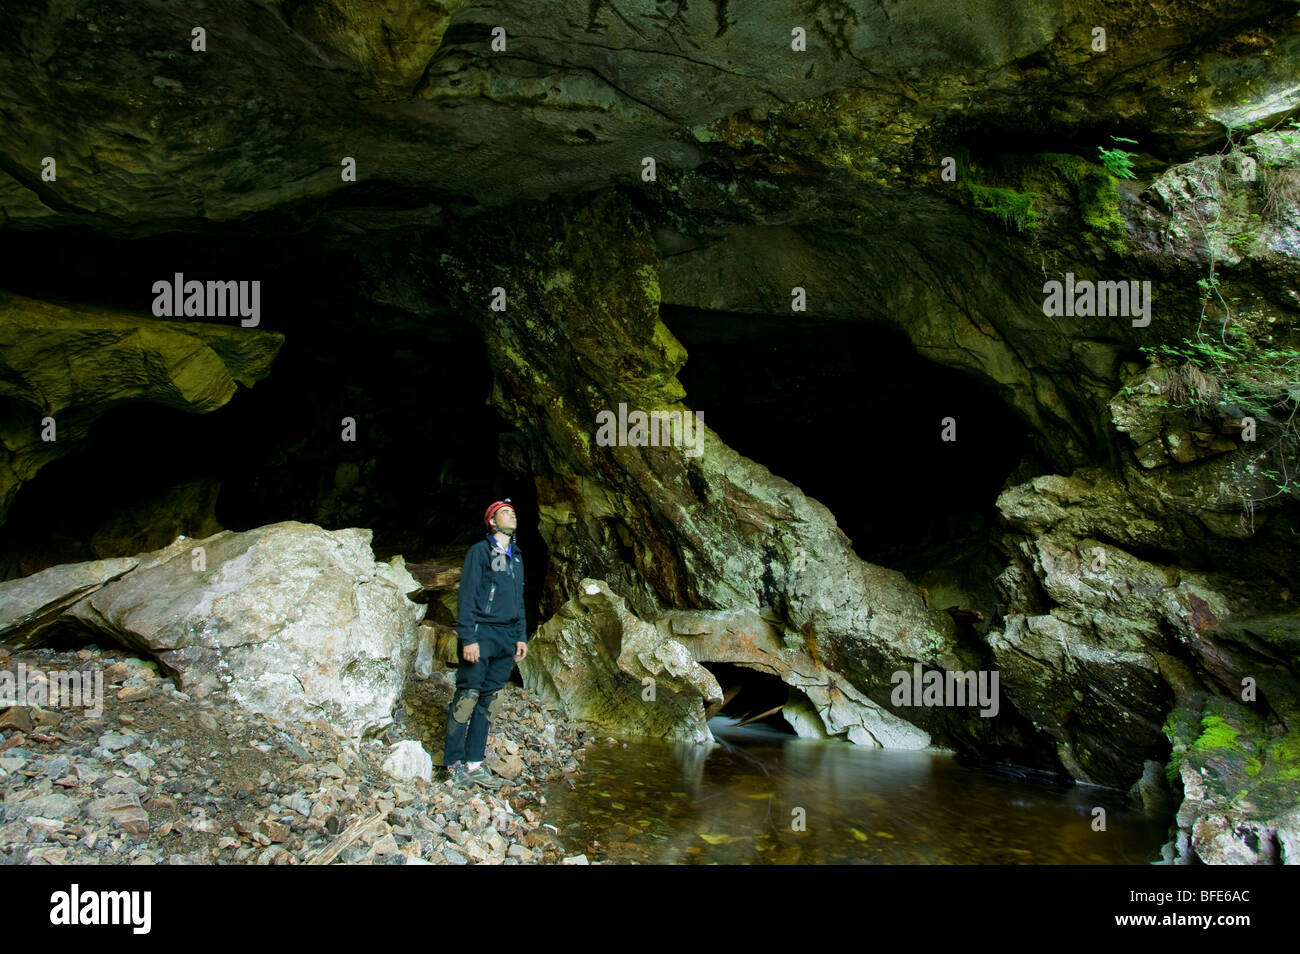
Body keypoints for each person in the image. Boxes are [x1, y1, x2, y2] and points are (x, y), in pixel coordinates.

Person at [443, 498, 527, 789]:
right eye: (505, 512)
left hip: (506, 638)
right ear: (491, 521)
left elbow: (518, 600)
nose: (511, 515)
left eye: (513, 512)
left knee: (491, 701)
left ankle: (474, 762)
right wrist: (468, 637)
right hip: (482, 633)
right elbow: (466, 597)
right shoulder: (480, 552)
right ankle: (454, 763)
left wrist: (521, 636)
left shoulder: (515, 557)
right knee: (468, 697)